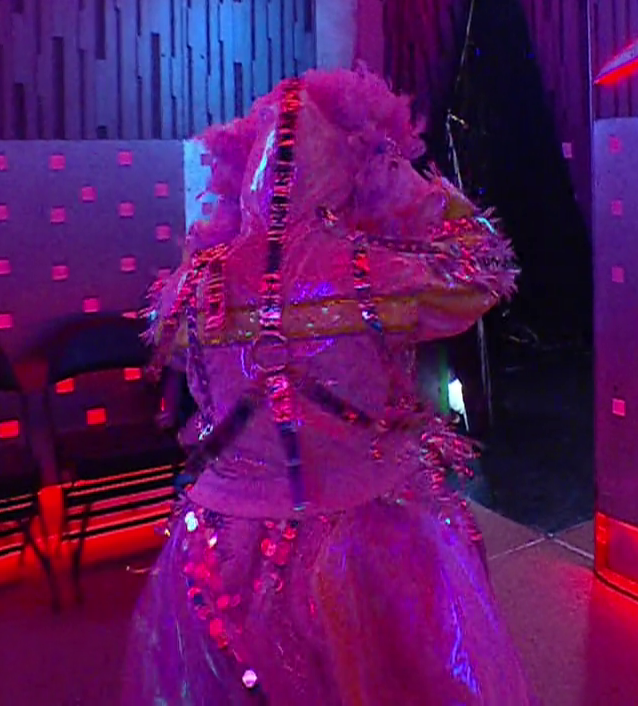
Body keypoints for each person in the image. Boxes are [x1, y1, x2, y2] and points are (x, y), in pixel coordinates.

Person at [124, 67, 536, 705]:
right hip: (368, 544)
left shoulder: (197, 283)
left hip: (223, 548)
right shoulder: (376, 271)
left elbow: (169, 346)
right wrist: (417, 190)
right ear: (344, 169)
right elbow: (487, 267)